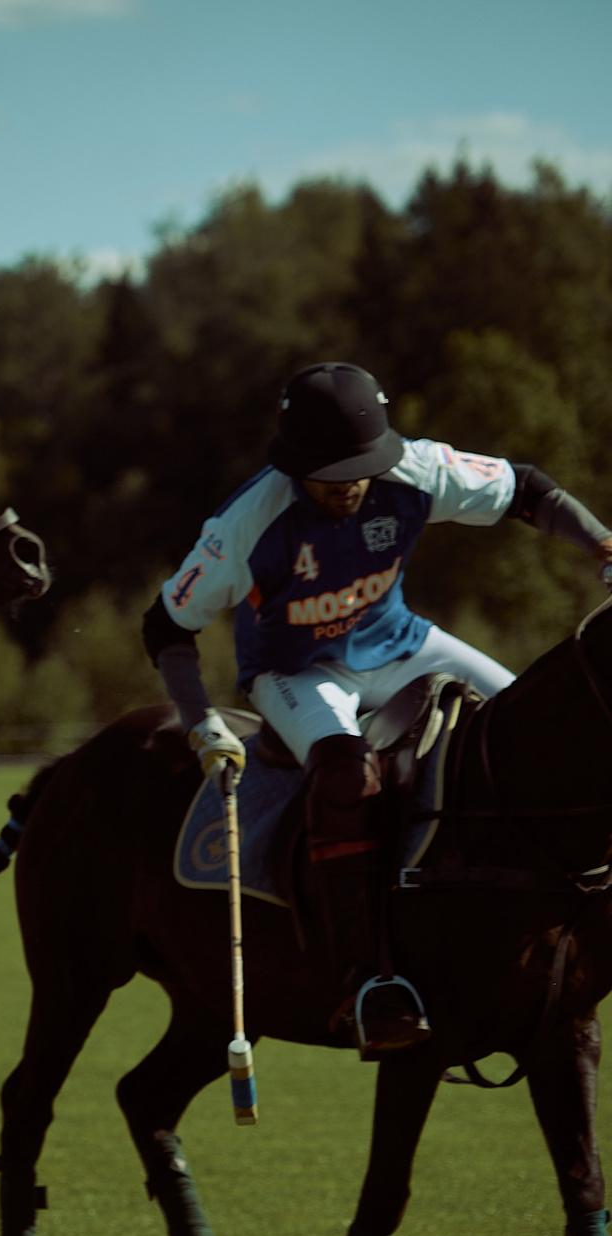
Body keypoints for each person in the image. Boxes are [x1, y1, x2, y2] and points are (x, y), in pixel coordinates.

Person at [145, 361, 612, 1055]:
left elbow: (528, 490)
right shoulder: (246, 523)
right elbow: (167, 625)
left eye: (360, 470)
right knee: (346, 777)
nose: (349, 488)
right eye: (330, 478)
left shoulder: (417, 471)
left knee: (531, 732)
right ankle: (369, 980)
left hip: (401, 643)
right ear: (294, 465)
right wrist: (197, 719)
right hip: (296, 671)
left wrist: (602, 544)